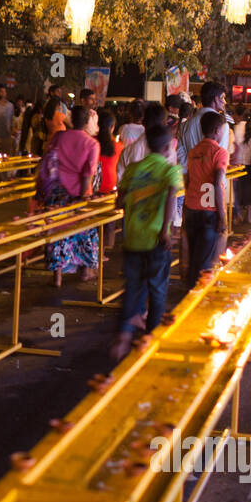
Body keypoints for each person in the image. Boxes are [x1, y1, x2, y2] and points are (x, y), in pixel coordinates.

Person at [111, 125, 182, 362]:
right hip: (155, 239)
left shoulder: (133, 169)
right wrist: (165, 230)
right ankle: (150, 340)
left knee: (133, 287)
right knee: (158, 289)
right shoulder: (170, 171)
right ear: (166, 148)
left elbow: (119, 200)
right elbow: (172, 195)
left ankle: (124, 336)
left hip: (132, 237)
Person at [40, 105, 100, 287]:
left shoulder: (59, 137)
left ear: (71, 120)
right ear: (87, 122)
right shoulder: (92, 144)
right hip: (78, 194)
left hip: (57, 193)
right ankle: (85, 272)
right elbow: (88, 174)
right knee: (84, 233)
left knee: (57, 233)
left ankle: (57, 277)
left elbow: (49, 161)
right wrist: (83, 197)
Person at [182, 111, 227, 290]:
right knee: (205, 260)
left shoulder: (194, 151)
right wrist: (222, 216)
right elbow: (217, 182)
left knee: (193, 254)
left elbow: (188, 179)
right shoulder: (219, 152)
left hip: (192, 207)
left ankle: (190, 289)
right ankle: (196, 295)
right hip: (209, 211)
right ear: (217, 130)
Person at [95, 108, 124, 248]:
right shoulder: (118, 146)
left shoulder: (92, 143)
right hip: (110, 187)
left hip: (94, 187)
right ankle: (106, 249)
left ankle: (95, 249)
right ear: (112, 127)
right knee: (109, 222)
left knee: (94, 221)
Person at [231, 109, 251, 224]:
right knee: (249, 191)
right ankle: (249, 217)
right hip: (249, 163)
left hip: (236, 165)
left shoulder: (234, 129)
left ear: (239, 115)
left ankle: (237, 215)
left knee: (236, 191)